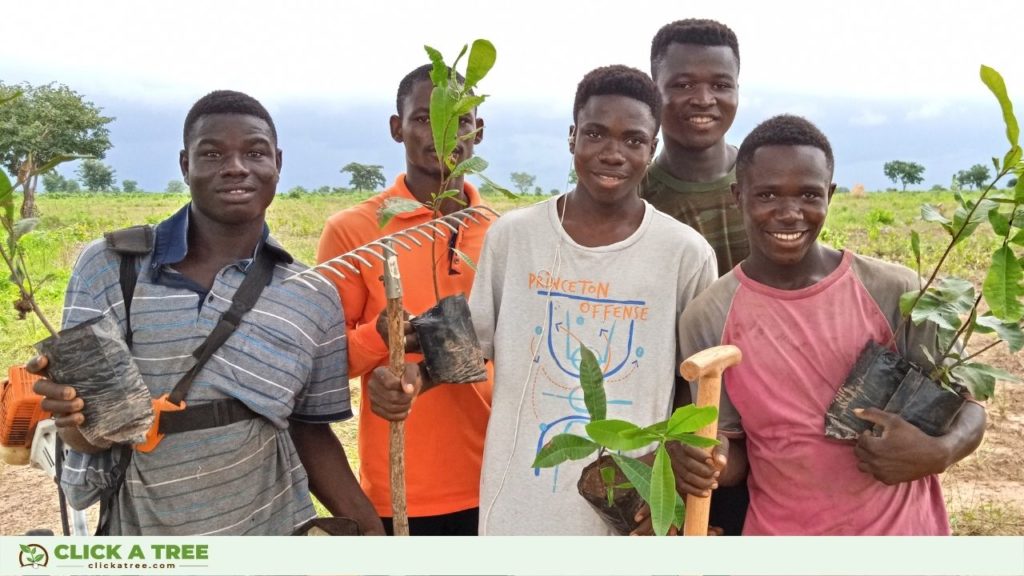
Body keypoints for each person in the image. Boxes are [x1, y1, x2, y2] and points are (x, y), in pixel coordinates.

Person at [31, 90, 383, 536]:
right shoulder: (110, 267)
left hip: (272, 528)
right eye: (212, 153)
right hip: (148, 540)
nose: (236, 166)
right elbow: (88, 433)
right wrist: (70, 415)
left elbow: (308, 430)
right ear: (185, 165)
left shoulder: (309, 295)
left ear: (277, 162)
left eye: (254, 152)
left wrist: (372, 532)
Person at [673, 114, 987, 535]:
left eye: (808, 195)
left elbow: (970, 404)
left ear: (830, 196)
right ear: (738, 196)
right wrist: (705, 461)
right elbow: (733, 450)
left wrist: (940, 452)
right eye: (767, 194)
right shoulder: (709, 316)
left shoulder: (897, 291)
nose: (789, 213)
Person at [472, 65, 715, 535]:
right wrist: (410, 372)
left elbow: (697, 391)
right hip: (516, 507)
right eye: (596, 134)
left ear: (653, 149)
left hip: (627, 509)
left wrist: (669, 487)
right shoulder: (513, 238)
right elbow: (471, 352)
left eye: (633, 140)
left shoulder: (685, 254)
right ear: (571, 137)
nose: (612, 153)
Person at [316, 64, 492, 535]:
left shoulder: (504, 232)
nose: (442, 133)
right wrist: (381, 341)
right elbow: (322, 363)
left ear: (478, 130)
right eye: (424, 118)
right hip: (407, 491)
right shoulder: (356, 231)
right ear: (397, 128)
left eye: (459, 119)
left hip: (502, 480)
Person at [639, 19, 749, 533]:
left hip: (769, 416)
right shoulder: (629, 195)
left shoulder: (770, 181)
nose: (702, 98)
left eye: (719, 84)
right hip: (674, 428)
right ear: (655, 88)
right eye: (682, 84)